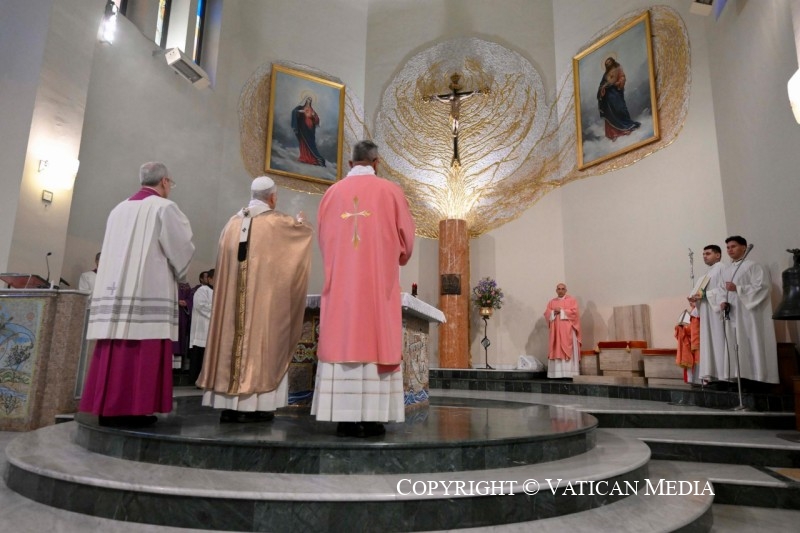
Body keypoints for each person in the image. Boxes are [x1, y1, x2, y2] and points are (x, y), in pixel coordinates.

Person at [312, 140, 415, 438]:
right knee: (375, 339)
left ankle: (343, 418)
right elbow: (407, 243)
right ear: (376, 162)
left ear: (349, 163)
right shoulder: (391, 192)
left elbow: (323, 240)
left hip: (342, 287)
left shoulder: (331, 194)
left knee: (343, 339)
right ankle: (371, 418)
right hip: (376, 289)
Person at [80, 162, 194, 427]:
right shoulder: (165, 208)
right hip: (147, 288)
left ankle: (107, 408)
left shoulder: (118, 209)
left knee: (114, 347)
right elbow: (182, 249)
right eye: (171, 184)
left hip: (115, 292)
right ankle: (134, 409)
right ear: (165, 182)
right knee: (143, 346)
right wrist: (183, 277)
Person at [196, 177, 312, 423]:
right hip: (260, 307)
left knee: (232, 338)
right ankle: (255, 405)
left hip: (231, 308)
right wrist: (302, 225)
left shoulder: (231, 224)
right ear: (273, 197)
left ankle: (228, 405)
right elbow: (299, 240)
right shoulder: (277, 222)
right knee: (259, 341)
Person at [714, 236, 779, 385]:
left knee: (751, 343)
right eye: (728, 247)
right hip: (733, 315)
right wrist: (722, 302)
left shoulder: (753, 266)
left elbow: (763, 287)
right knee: (735, 345)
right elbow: (720, 290)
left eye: (734, 246)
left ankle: (757, 379)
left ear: (744, 247)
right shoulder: (727, 270)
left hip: (749, 316)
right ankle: (739, 378)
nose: (730, 250)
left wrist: (738, 288)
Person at [688, 245, 727, 385]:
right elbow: (698, 293)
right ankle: (712, 375)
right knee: (709, 344)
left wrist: (706, 295)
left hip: (717, 314)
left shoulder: (722, 268)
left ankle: (724, 375)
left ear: (718, 255)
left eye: (708, 253)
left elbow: (724, 290)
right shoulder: (706, 274)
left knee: (719, 341)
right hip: (706, 313)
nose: (704, 256)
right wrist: (693, 298)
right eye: (703, 254)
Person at [597, 57, 641, 141]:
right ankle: (614, 133)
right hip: (607, 97)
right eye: (606, 63)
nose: (608, 64)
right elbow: (601, 84)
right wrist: (602, 88)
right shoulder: (605, 74)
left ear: (612, 61)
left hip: (616, 93)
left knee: (620, 109)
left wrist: (619, 83)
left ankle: (626, 128)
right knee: (609, 113)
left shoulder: (618, 68)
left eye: (609, 62)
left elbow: (622, 77)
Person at [543, 283, 582, 378]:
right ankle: (556, 373)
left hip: (567, 330)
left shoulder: (571, 300)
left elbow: (575, 313)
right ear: (556, 290)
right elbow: (546, 313)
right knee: (556, 347)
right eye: (559, 289)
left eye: (562, 289)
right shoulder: (552, 302)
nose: (560, 290)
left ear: (566, 290)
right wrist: (553, 312)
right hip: (556, 331)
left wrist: (562, 311)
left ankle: (570, 373)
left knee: (567, 347)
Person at [188, 268, 214, 384]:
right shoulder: (202, 290)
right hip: (202, 328)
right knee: (200, 355)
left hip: (210, 328)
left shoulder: (217, 291)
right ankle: (198, 380)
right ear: (209, 279)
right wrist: (216, 310)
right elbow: (200, 305)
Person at [291, 96, 326, 166]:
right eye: (308, 99)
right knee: (303, 142)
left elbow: (316, 119)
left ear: (311, 102)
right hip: (303, 127)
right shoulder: (300, 107)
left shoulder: (312, 110)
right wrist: (300, 111)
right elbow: (294, 111)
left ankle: (314, 159)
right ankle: (304, 157)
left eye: (310, 100)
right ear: (305, 100)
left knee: (311, 144)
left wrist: (314, 116)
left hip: (310, 130)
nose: (309, 101)